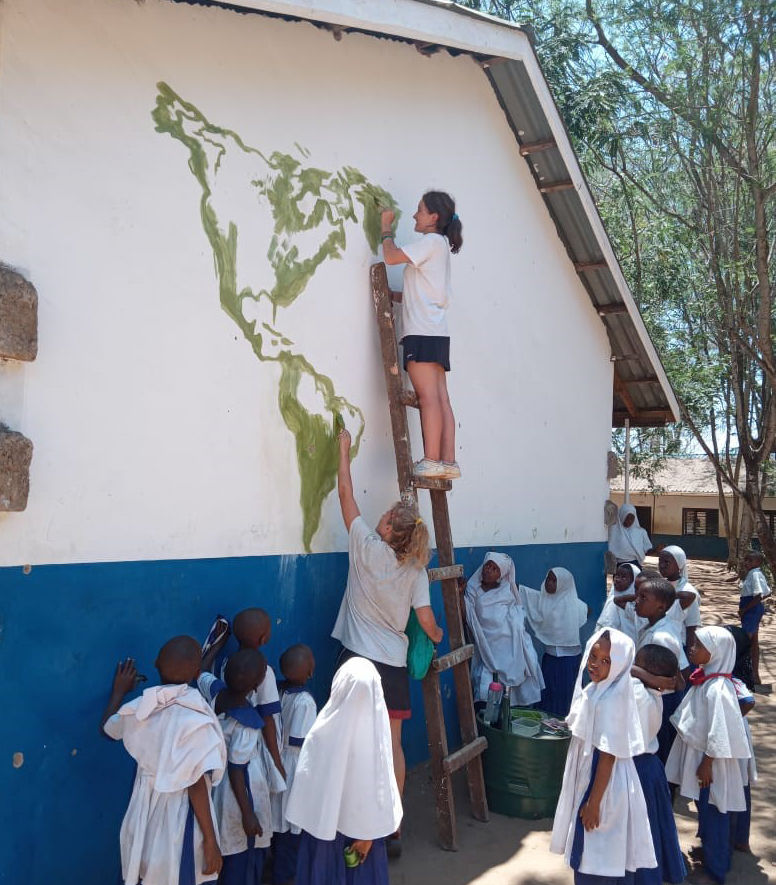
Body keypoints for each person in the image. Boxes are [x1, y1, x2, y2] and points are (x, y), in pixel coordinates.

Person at [333, 428, 443, 826]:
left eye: (381, 517)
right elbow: (427, 621)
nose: (376, 518)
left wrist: (344, 451)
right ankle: (392, 823)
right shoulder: (416, 570)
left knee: (349, 741)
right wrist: (435, 637)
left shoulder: (365, 547)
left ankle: (350, 820)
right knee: (392, 744)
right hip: (393, 667)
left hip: (355, 662)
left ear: (387, 530)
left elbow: (346, 497)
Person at [101, 637, 227, 885]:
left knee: (143, 864)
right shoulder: (196, 718)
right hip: (181, 815)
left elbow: (107, 729)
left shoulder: (139, 708)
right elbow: (195, 783)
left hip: (144, 807)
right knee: (179, 871)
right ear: (195, 672)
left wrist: (118, 692)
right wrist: (211, 841)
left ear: (157, 664)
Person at [550, 628, 657, 883]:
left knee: (596, 849)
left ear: (620, 664)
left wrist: (594, 802)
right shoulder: (598, 690)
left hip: (604, 785)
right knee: (601, 850)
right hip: (596, 777)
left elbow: (607, 755)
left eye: (606, 661)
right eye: (593, 657)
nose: (595, 665)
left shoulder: (611, 700)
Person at [285, 657, 402, 885]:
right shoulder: (377, 738)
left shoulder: (321, 732)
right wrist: (368, 833)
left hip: (321, 834)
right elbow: (379, 788)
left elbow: (307, 784)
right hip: (361, 841)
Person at [380, 191, 462, 480]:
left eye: (419, 210)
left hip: (422, 333)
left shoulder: (430, 242)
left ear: (433, 217)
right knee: (441, 399)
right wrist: (397, 296)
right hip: (436, 333)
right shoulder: (438, 247)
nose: (415, 215)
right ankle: (448, 462)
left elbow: (390, 257)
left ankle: (430, 460)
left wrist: (386, 226)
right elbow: (426, 291)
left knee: (428, 399)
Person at [665, 627, 751, 884]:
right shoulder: (705, 679)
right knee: (707, 809)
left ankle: (717, 869)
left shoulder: (718, 688)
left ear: (716, 653)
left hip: (712, 764)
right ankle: (712, 854)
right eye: (692, 644)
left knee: (715, 810)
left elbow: (720, 731)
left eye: (698, 646)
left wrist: (707, 764)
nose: (691, 649)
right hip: (705, 760)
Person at [198, 649, 272, 885]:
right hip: (240, 794)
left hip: (215, 784)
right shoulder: (248, 722)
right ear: (259, 683)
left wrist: (213, 650)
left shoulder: (215, 693)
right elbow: (237, 769)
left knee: (224, 844)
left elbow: (201, 673)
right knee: (241, 853)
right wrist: (248, 814)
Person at [203, 609, 287, 790]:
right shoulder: (265, 672)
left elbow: (203, 674)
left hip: (225, 746)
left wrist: (216, 646)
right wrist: (277, 762)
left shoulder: (228, 663)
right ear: (263, 638)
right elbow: (268, 718)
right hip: (252, 750)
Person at [614, 575, 689, 763]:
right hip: (654, 697)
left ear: (661, 607)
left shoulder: (662, 637)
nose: (636, 601)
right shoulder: (649, 625)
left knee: (659, 753)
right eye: (637, 595)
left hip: (663, 701)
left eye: (643, 598)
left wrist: (630, 669)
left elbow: (671, 681)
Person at [630, 644, 687, 885]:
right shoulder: (653, 691)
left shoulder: (636, 694)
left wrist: (636, 671)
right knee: (652, 825)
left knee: (638, 829)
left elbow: (623, 673)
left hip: (635, 767)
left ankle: (642, 877)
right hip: (650, 767)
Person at [464, 552, 544, 709]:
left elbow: (517, 615)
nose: (488, 570)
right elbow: (468, 613)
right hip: (488, 646)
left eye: (494, 569)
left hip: (509, 645)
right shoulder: (473, 590)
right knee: (487, 691)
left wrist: (514, 621)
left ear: (501, 575)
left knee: (512, 691)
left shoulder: (508, 591)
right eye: (488, 565)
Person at [271, 644, 318, 885]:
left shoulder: (279, 692)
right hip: (295, 766)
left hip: (277, 762)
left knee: (279, 824)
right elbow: (300, 742)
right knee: (293, 825)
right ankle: (287, 877)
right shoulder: (305, 702)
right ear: (310, 671)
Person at [520, 566, 588, 716]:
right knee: (549, 697)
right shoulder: (542, 600)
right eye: (548, 579)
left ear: (564, 584)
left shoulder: (579, 606)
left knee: (568, 699)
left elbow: (587, 612)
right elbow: (523, 593)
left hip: (569, 662)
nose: (548, 583)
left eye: (553, 580)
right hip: (550, 660)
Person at [658, 545, 702, 650]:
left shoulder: (688, 592)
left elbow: (692, 626)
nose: (662, 565)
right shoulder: (658, 586)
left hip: (678, 646)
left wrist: (689, 656)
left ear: (679, 564)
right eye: (660, 561)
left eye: (667, 562)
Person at [738, 549, 770, 686]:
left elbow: (759, 595)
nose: (746, 562)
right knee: (753, 643)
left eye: (750, 560)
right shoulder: (753, 574)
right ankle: (755, 676)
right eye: (746, 559)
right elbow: (768, 592)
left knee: (744, 642)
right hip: (753, 609)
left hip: (751, 609)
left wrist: (746, 609)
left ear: (758, 562)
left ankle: (742, 674)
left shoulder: (755, 574)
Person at [596, 563, 641, 641]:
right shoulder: (612, 597)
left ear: (633, 582)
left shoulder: (636, 604)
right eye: (617, 576)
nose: (618, 580)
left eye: (624, 577)